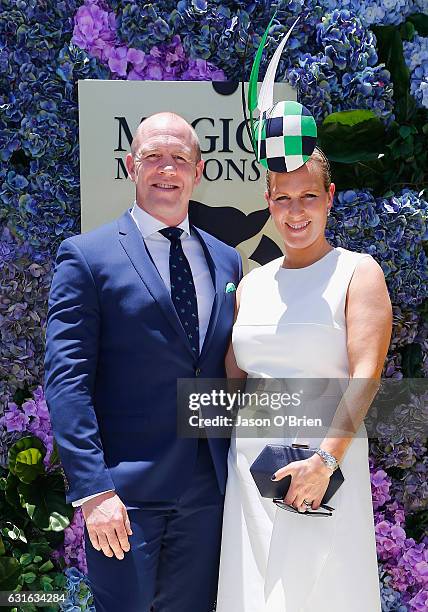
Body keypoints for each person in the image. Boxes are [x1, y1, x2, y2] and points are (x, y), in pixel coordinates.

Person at [44, 112, 242, 612]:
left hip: (207, 491)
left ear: (198, 173)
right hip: (123, 494)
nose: (166, 169)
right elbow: (67, 381)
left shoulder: (227, 261)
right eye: (153, 157)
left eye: (179, 159)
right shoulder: (86, 257)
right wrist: (93, 492)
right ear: (131, 166)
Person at [216, 148, 392, 611]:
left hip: (320, 469)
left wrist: (324, 463)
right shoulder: (252, 284)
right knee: (254, 594)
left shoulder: (358, 272)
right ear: (269, 201)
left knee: (322, 591)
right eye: (283, 198)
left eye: (309, 195)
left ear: (330, 197)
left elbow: (366, 376)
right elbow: (236, 380)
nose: (296, 211)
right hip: (251, 471)